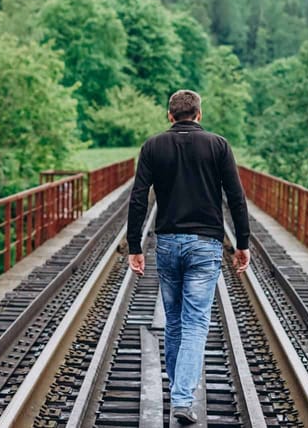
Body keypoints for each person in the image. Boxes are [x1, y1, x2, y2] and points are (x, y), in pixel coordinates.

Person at [126, 89, 251, 425]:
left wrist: (134, 247)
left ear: (170, 115)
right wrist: (243, 242)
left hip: (167, 242)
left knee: (175, 321)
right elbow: (236, 198)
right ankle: (182, 399)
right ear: (199, 114)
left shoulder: (153, 146)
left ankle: (177, 391)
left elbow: (138, 198)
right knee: (195, 323)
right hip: (205, 244)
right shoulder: (218, 145)